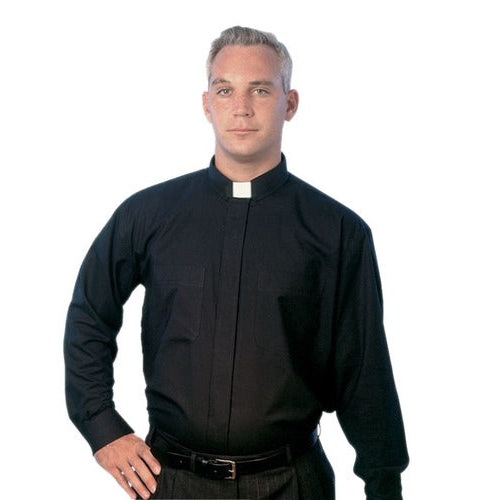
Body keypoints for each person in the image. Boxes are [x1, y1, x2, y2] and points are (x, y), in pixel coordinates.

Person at [64, 26, 409, 500]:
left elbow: (364, 370)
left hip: (292, 484)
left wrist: (384, 483)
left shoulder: (338, 232)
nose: (241, 108)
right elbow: (89, 314)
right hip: (171, 482)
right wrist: (101, 426)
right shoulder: (147, 215)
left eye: (260, 90)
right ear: (207, 104)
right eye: (225, 90)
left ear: (290, 103)